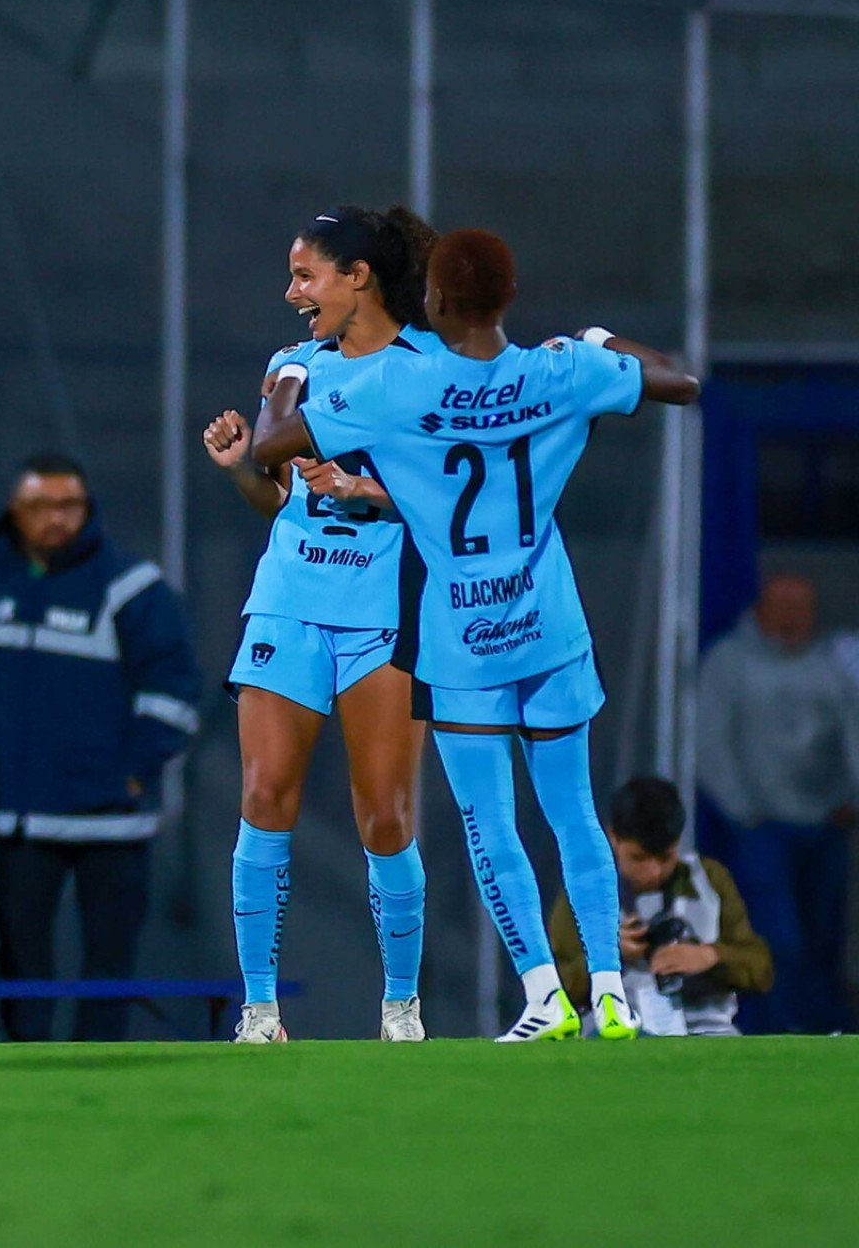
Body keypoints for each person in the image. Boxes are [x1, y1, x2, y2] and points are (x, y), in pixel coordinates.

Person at [253, 227, 700, 1041]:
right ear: (510, 296)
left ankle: (542, 994)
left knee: (489, 821)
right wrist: (599, 337)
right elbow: (680, 380)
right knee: (574, 811)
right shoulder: (563, 368)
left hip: (462, 634)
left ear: (433, 301)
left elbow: (272, 444)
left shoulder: (397, 384)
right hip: (548, 622)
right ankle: (610, 990)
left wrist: (289, 378)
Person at [200, 204, 438, 1043]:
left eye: (306, 275)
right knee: (264, 795)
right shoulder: (292, 367)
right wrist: (242, 468)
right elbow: (277, 498)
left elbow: (451, 500)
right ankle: (260, 1009)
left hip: (383, 611)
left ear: (357, 277)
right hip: (289, 601)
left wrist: (365, 491)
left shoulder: (428, 370)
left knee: (385, 814)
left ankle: (401, 1007)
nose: (292, 292)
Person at [0, 453, 200, 1042]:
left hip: (112, 820)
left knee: (109, 965)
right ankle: (24, 1070)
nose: (55, 519)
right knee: (20, 959)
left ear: (88, 508)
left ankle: (101, 1074)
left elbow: (174, 690)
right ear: (14, 511)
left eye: (69, 505)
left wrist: (132, 772)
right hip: (21, 819)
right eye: (39, 506)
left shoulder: (131, 587)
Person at [697, 571, 859, 1032]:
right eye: (783, 607)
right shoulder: (729, 662)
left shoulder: (831, 664)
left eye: (801, 608)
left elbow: (852, 732)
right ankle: (781, 1028)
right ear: (761, 608)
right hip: (763, 827)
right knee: (778, 936)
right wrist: (744, 810)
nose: (792, 618)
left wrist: (851, 796)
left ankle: (825, 1030)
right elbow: (711, 743)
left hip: (826, 825)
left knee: (824, 934)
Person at [548, 777, 771, 1035]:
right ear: (613, 838)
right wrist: (608, 956)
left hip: (706, 1030)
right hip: (618, 1033)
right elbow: (553, 989)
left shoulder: (709, 880)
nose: (653, 871)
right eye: (638, 858)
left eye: (665, 857)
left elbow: (760, 968)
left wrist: (710, 956)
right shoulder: (585, 893)